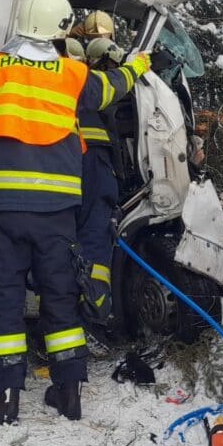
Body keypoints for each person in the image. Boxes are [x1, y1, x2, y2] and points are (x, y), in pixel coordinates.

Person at [0, 0, 150, 425]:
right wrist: (135, 66)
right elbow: (112, 88)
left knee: (6, 296)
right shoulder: (72, 75)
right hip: (56, 210)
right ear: (61, 29)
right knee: (60, 294)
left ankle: (4, 399)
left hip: (1, 208)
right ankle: (68, 392)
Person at [74, 36, 133, 317]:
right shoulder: (95, 85)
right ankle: (94, 311)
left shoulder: (63, 83)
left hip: (67, 166)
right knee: (95, 235)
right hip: (95, 165)